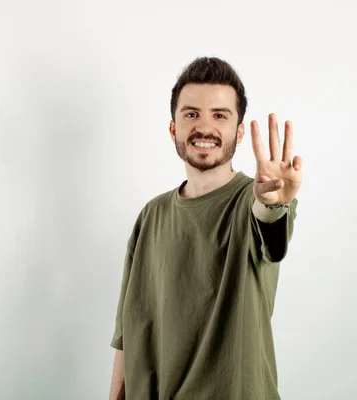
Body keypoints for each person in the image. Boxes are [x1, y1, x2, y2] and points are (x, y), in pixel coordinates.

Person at [109, 57, 303, 400]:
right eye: (191, 114)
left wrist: (273, 202)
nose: (204, 127)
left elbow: (271, 232)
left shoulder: (251, 201)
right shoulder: (150, 217)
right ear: (174, 128)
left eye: (220, 115)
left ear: (239, 132)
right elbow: (128, 334)